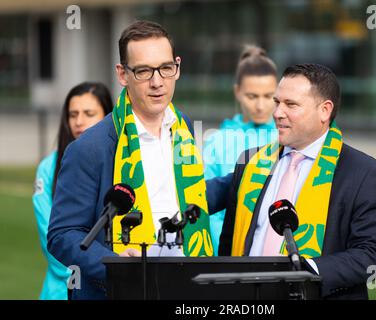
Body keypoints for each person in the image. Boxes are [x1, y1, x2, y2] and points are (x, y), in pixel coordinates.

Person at [47, 20, 229, 300]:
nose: (157, 82)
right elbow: (63, 235)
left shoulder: (184, 127)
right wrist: (117, 263)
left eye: (166, 68)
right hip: (120, 290)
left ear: (177, 67)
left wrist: (243, 178)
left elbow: (189, 198)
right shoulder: (89, 148)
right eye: (144, 71)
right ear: (122, 74)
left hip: (184, 286)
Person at [219, 63, 376, 300]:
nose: (277, 113)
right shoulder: (251, 162)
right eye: (277, 102)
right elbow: (228, 244)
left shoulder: (366, 174)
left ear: (325, 110)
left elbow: (372, 254)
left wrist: (307, 271)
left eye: (291, 104)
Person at [32, 82, 113, 300]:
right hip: (61, 289)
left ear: (107, 115)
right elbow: (52, 237)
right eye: (73, 114)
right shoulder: (48, 168)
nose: (79, 121)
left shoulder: (121, 162)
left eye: (89, 113)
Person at [203, 45, 278, 254]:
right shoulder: (217, 142)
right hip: (229, 251)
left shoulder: (288, 137)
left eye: (268, 95)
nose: (261, 106)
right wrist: (228, 254)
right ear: (237, 92)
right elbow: (208, 207)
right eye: (252, 96)